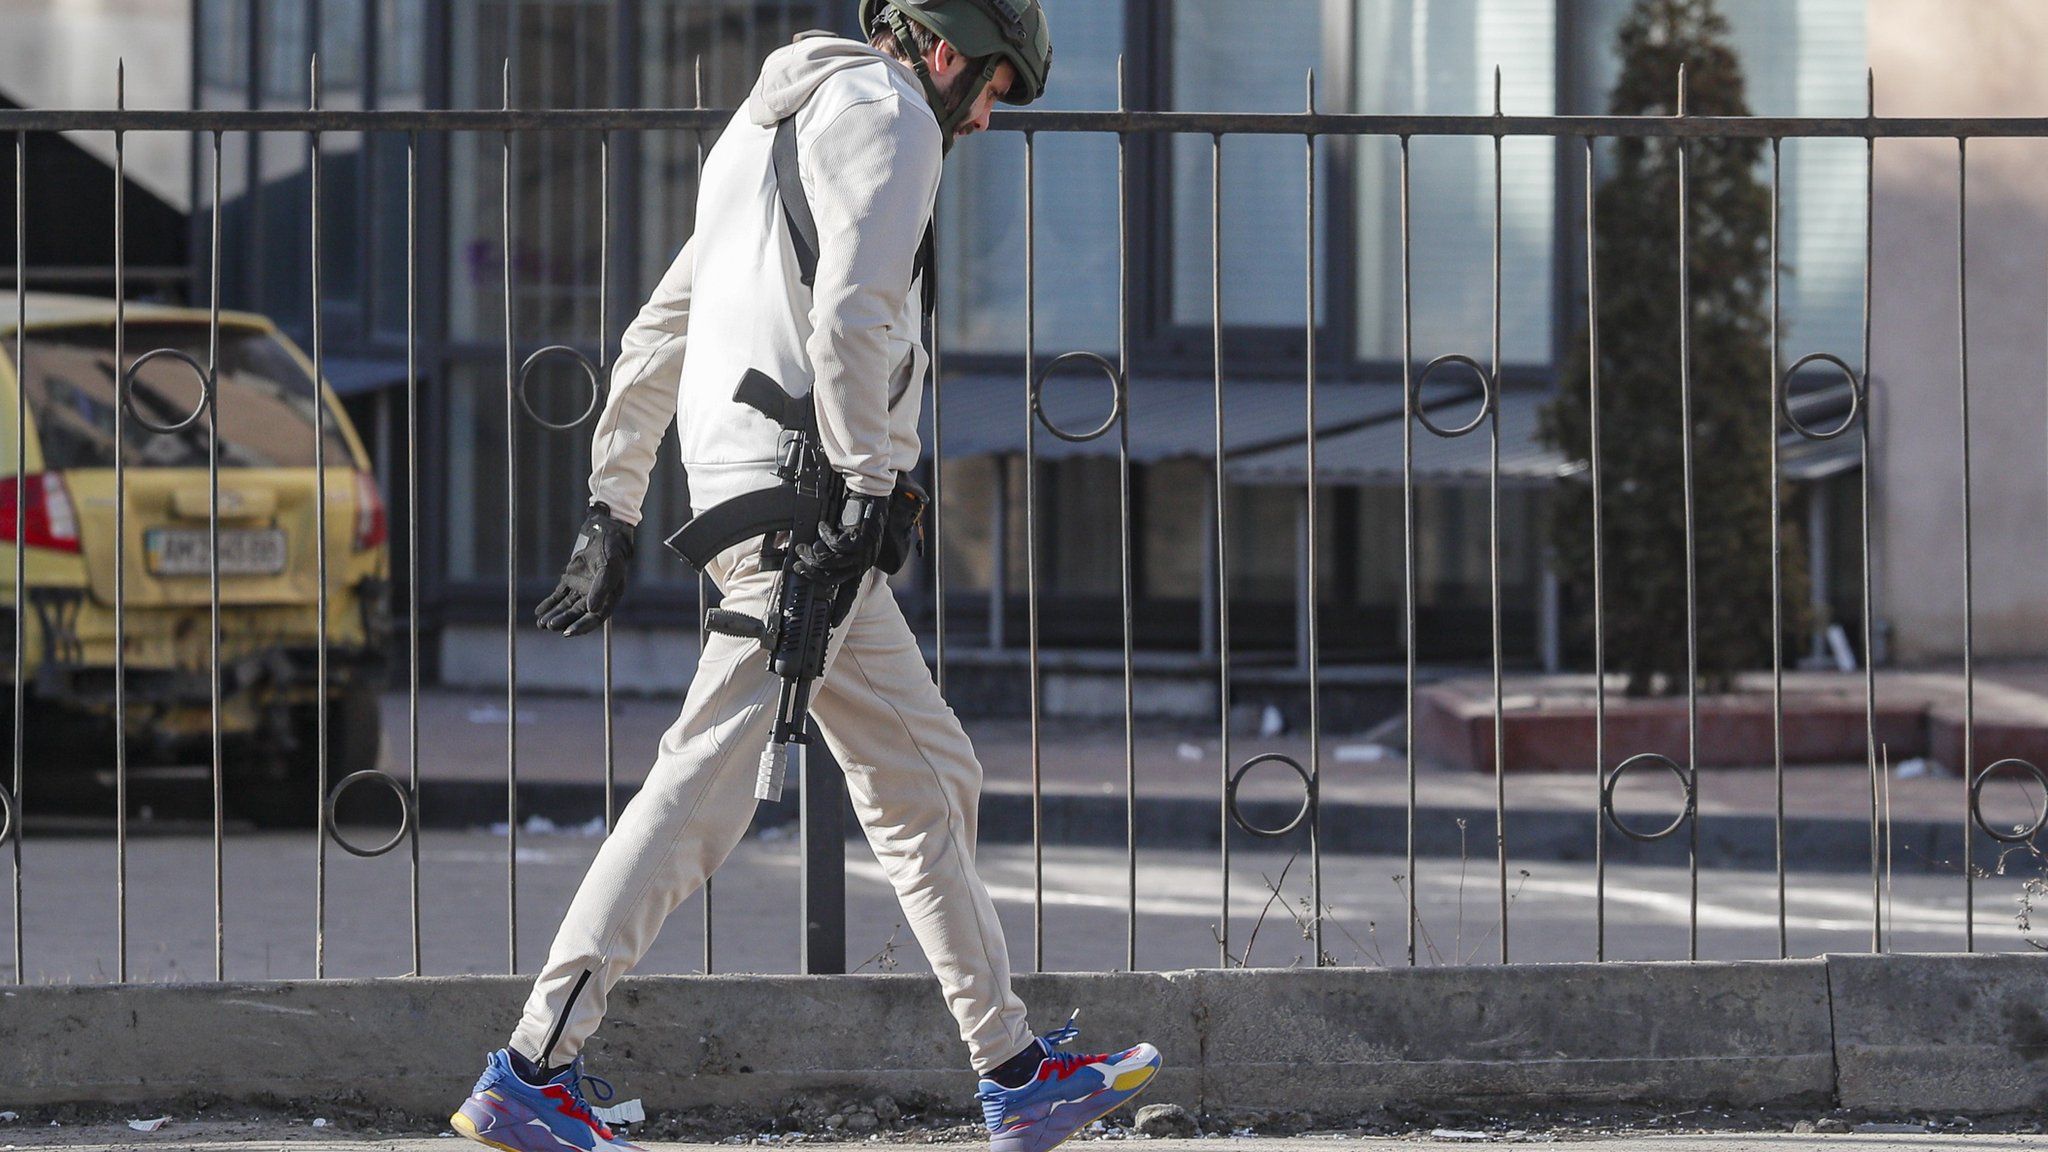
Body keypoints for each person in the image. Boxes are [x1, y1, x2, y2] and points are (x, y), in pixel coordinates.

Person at [448, 4, 1161, 1152]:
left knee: (926, 778)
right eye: (990, 86)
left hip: (759, 488)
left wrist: (610, 503)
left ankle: (1017, 1072)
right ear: (942, 49)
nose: (985, 115)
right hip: (807, 501)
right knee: (702, 790)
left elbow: (658, 326)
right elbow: (853, 315)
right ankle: (532, 1065)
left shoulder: (760, 123)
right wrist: (872, 488)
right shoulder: (892, 118)